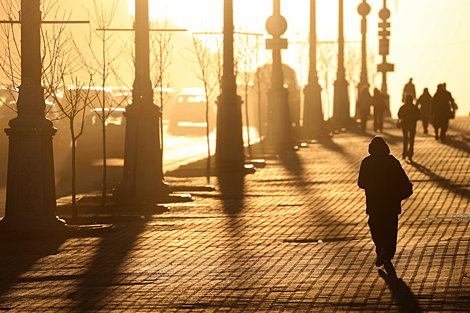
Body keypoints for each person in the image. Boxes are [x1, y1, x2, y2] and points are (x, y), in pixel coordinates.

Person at [358, 136, 413, 277]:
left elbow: (361, 183)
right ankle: (387, 253)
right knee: (390, 230)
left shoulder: (367, 162)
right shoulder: (392, 162)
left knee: (375, 226)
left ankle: (381, 249)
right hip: (391, 203)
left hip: (374, 203)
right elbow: (403, 180)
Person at [398, 95, 421, 161]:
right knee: (411, 139)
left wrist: (403, 118)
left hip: (405, 124)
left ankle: (404, 153)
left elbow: (399, 114)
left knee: (405, 139)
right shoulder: (414, 108)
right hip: (412, 125)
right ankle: (410, 153)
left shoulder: (403, 107)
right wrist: (414, 119)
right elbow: (419, 115)